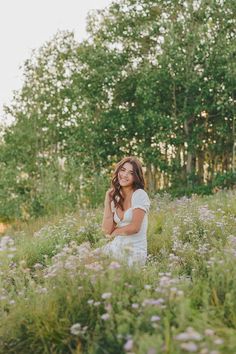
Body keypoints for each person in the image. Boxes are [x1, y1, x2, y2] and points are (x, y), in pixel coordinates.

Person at [101, 156, 151, 267]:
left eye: (131, 173)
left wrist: (115, 232)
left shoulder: (140, 194)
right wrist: (107, 201)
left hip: (134, 251)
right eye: (123, 170)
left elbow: (134, 228)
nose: (124, 175)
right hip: (115, 246)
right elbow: (106, 230)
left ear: (136, 177)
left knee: (110, 275)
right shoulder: (116, 197)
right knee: (86, 261)